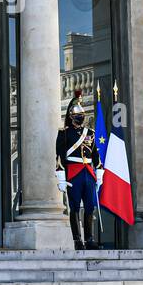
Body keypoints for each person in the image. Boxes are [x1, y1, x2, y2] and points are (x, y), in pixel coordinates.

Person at [56, 89, 103, 250]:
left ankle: (89, 239)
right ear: (71, 116)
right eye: (77, 114)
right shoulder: (64, 134)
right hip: (73, 173)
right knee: (75, 207)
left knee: (90, 206)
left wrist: (100, 174)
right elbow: (60, 156)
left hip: (88, 173)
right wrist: (61, 177)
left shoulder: (90, 132)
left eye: (81, 114)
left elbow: (96, 155)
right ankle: (77, 240)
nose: (81, 117)